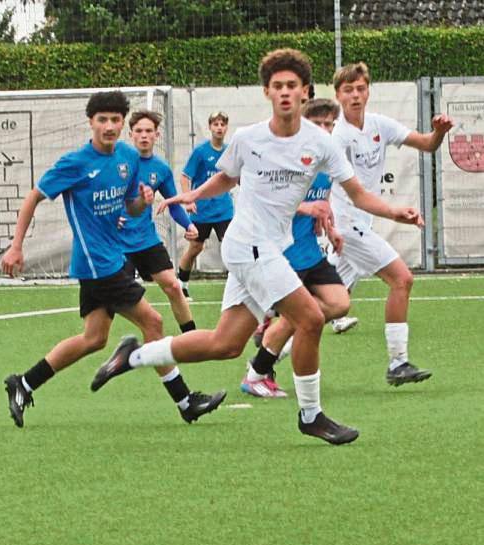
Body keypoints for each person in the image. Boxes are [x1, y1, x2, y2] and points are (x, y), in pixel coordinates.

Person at [90, 49, 425, 445]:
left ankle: (133, 356)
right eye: (278, 86)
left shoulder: (321, 143)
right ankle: (311, 414)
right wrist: (190, 195)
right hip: (249, 245)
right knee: (312, 319)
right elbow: (226, 179)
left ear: (305, 92)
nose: (285, 93)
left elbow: (357, 194)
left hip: (268, 246)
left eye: (292, 86)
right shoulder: (248, 138)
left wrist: (394, 211)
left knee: (225, 344)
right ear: (267, 91)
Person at [0, 90, 225, 429]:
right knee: (153, 324)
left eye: (115, 120)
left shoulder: (127, 157)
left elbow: (131, 206)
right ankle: (184, 400)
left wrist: (143, 200)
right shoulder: (75, 164)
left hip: (108, 258)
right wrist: (16, 246)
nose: (109, 126)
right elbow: (33, 197)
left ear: (123, 123)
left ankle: (24, 382)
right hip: (98, 264)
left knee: (93, 339)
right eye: (102, 120)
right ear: (90, 122)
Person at [328, 62, 454, 385]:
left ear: (368, 90)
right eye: (348, 90)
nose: (355, 95)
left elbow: (426, 144)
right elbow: (356, 196)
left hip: (359, 225)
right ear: (338, 95)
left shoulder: (379, 125)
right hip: (346, 225)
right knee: (402, 279)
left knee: (324, 307)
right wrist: (395, 212)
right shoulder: (338, 138)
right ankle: (398, 363)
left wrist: (439, 132)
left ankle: (263, 360)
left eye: (360, 88)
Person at [241, 98, 352, 397]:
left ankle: (269, 343)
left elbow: (323, 200)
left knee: (339, 302)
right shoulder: (287, 159)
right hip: (284, 251)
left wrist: (331, 227)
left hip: (310, 250)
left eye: (330, 124)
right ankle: (256, 374)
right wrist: (307, 209)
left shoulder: (327, 161)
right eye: (319, 124)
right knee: (297, 317)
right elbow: (269, 204)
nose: (325, 129)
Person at [121, 110, 199, 333]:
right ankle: (145, 329)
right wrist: (111, 217)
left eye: (148, 131)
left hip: (146, 240)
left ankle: (191, 336)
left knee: (174, 285)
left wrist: (189, 225)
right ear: (130, 134)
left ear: (156, 136)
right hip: (117, 244)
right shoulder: (118, 164)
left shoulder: (161, 169)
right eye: (139, 131)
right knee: (118, 299)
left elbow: (173, 204)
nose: (143, 135)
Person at [177, 111, 234, 300]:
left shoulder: (230, 151)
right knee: (195, 248)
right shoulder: (200, 152)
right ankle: (182, 284)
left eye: (222, 124)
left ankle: (235, 285)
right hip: (201, 211)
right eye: (216, 124)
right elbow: (185, 177)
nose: (219, 127)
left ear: (226, 128)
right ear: (210, 127)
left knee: (231, 246)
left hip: (224, 210)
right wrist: (189, 199)